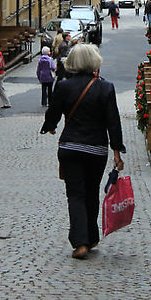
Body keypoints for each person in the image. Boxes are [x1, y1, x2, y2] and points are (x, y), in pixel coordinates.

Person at [40, 43, 125, 260]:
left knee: (75, 195)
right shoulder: (106, 87)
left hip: (70, 148)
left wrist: (49, 126)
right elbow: (112, 122)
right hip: (96, 149)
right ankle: (91, 236)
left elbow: (54, 112)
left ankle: (80, 243)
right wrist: (117, 151)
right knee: (91, 192)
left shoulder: (65, 86)